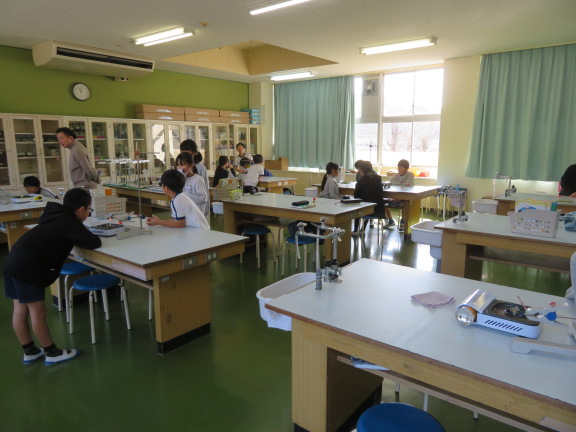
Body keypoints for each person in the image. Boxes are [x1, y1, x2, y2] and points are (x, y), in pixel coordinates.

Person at [3, 188, 102, 365]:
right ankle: (52, 353)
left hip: (13, 261)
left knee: (20, 310)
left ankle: (30, 351)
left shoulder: (54, 214)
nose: (88, 213)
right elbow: (94, 242)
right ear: (81, 209)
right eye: (89, 210)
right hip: (28, 268)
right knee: (38, 313)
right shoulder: (70, 223)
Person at [179, 139, 210, 220]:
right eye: (182, 152)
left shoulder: (200, 167)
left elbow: (204, 190)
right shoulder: (181, 167)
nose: (184, 155)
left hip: (198, 208)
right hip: (186, 207)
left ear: (194, 153)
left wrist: (206, 210)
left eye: (187, 152)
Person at [354, 160, 385, 233]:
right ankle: (362, 230)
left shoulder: (360, 183)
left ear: (361, 171)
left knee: (358, 207)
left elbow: (356, 198)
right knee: (368, 203)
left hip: (367, 211)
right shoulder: (378, 179)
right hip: (379, 211)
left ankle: (355, 231)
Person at [385, 159, 415, 229]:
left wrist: (397, 183)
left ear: (406, 168)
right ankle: (390, 220)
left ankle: (403, 221)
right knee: (384, 201)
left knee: (404, 203)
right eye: (398, 168)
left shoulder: (410, 175)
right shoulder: (396, 175)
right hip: (397, 196)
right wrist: (401, 183)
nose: (399, 169)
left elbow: (408, 184)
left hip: (407, 196)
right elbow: (390, 182)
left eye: (401, 168)